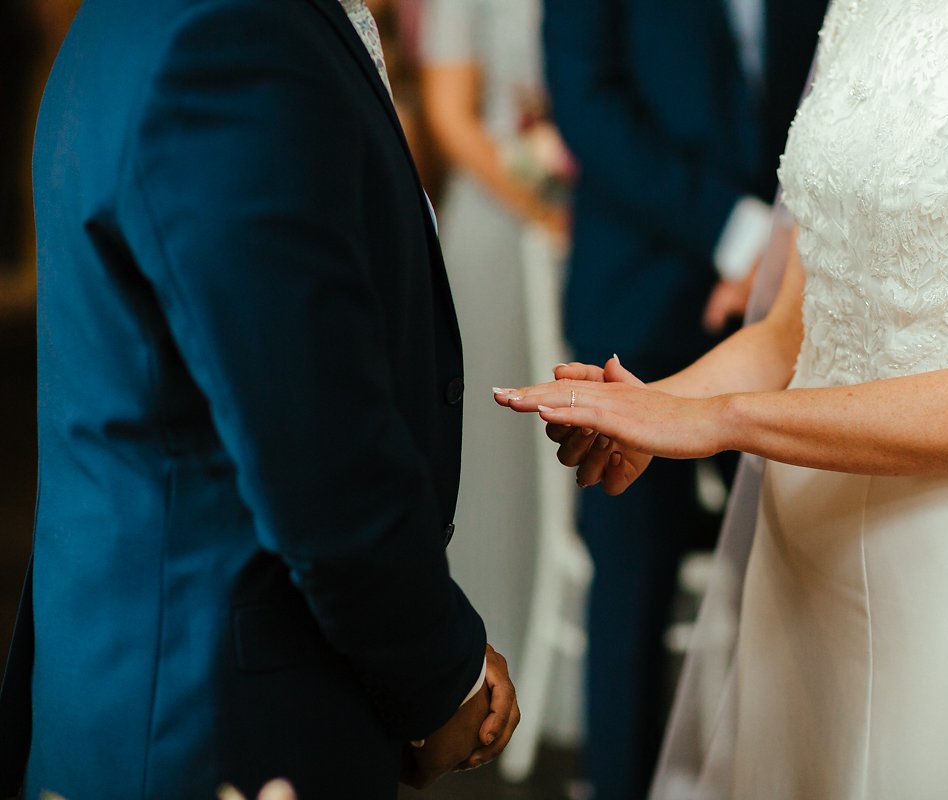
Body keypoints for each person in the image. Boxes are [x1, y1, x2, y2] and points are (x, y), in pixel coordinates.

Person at [500, 0, 948, 796]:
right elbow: (793, 329)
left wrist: (719, 420)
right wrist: (649, 411)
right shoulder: (862, 8)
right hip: (800, 579)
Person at [0, 0, 519, 797]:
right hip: (214, 707)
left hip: (156, 663)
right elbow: (316, 445)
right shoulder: (229, 34)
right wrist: (442, 676)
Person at [537, 3, 827, 797]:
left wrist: (784, 256)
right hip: (640, 298)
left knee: (803, 559)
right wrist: (739, 234)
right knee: (631, 578)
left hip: (794, 311)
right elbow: (587, 104)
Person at [419, 0, 571, 669]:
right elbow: (450, 115)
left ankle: (564, 660)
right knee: (493, 438)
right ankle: (479, 652)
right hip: (498, 216)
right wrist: (539, 206)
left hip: (591, 214)